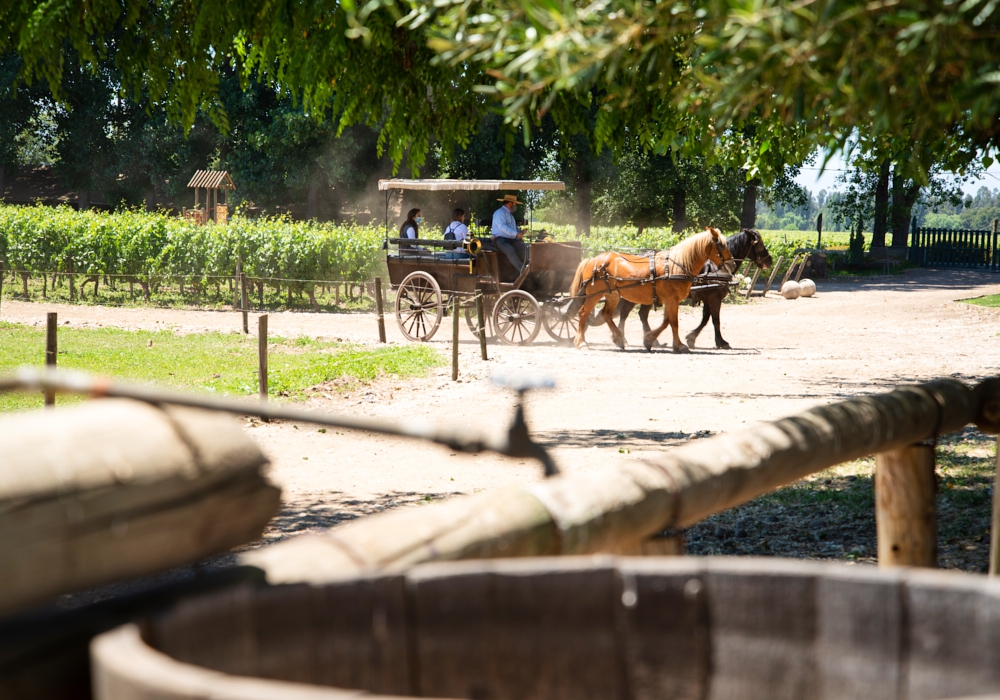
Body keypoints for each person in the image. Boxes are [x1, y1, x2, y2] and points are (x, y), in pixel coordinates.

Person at [492, 194, 526, 272]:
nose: (515, 206)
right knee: (510, 250)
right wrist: (516, 234)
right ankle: (523, 270)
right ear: (510, 203)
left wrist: (520, 232)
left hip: (511, 240)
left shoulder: (510, 215)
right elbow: (502, 227)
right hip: (500, 240)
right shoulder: (499, 213)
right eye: (515, 203)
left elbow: (512, 229)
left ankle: (530, 265)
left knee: (523, 247)